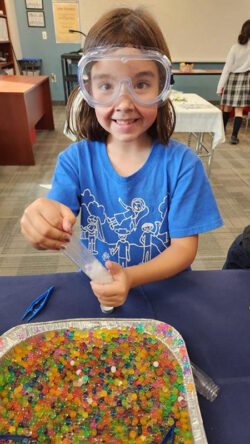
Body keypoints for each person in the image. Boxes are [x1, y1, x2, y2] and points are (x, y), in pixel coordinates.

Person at [21, 7, 223, 309]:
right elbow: (57, 212)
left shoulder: (183, 165)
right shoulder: (75, 160)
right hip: (98, 291)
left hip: (168, 293)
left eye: (141, 84)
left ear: (162, 87)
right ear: (89, 89)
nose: (124, 103)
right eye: (106, 86)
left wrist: (129, 277)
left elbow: (183, 249)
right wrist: (39, 219)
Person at [217, 19, 250, 145]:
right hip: (246, 80)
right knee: (239, 111)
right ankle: (234, 136)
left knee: (227, 107)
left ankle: (222, 132)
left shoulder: (235, 47)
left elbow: (227, 67)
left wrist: (220, 86)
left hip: (232, 79)